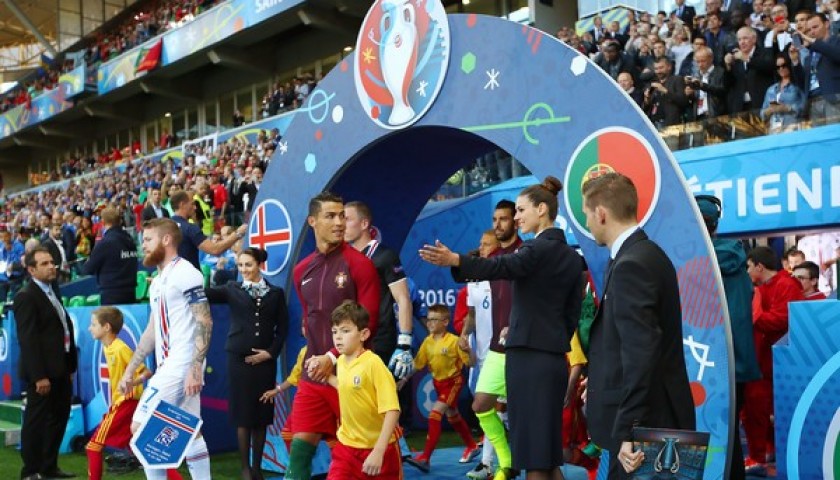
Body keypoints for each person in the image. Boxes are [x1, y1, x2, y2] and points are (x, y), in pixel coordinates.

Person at [420, 176, 583, 480]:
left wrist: (456, 259)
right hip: (551, 361)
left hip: (529, 361)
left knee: (535, 459)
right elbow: (571, 314)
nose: (517, 217)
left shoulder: (535, 250)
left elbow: (500, 267)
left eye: (521, 210)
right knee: (547, 459)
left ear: (542, 209)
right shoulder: (572, 258)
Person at [581, 173, 695, 479]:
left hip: (646, 429)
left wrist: (629, 430)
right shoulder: (646, 255)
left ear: (601, 214)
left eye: (587, 214)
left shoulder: (632, 264)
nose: (587, 223)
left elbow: (641, 354)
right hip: (652, 420)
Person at [285, 191, 380, 480]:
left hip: (353, 375)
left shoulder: (360, 265)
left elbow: (368, 323)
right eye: (330, 216)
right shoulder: (301, 271)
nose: (339, 222)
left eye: (342, 216)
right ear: (312, 221)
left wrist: (332, 356)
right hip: (314, 375)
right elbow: (309, 321)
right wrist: (319, 360)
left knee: (363, 459)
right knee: (299, 454)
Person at [119, 218, 215, 479]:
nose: (143, 246)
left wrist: (195, 367)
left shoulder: (186, 273)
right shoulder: (158, 281)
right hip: (170, 363)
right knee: (191, 430)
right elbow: (151, 331)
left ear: (166, 239)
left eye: (148, 240)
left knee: (140, 427)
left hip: (182, 362)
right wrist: (130, 369)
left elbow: (204, 320)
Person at [206, 247, 289, 480]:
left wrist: (270, 353)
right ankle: (245, 468)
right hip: (238, 359)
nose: (243, 269)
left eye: (248, 265)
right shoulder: (232, 288)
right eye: (240, 265)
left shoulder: (276, 293)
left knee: (261, 414)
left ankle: (257, 468)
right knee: (243, 414)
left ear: (259, 265)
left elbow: (283, 328)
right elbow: (205, 293)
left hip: (265, 362)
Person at [695, 195, 761, 480]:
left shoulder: (693, 262)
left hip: (703, 361)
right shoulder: (738, 262)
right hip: (737, 363)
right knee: (730, 431)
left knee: (705, 433)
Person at [459, 199, 524, 480]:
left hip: (522, 348)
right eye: (494, 219)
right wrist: (465, 334)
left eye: (503, 219)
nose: (498, 224)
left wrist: (518, 325)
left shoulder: (523, 255)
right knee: (481, 405)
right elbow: (473, 311)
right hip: (495, 351)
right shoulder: (491, 264)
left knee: (520, 413)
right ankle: (505, 463)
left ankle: (509, 465)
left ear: (516, 222)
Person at [84, 307, 183, 480]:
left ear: (106, 327)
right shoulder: (108, 347)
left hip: (126, 403)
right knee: (144, 449)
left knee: (93, 446)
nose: (89, 328)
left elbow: (146, 372)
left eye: (93, 324)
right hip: (125, 403)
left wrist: (132, 382)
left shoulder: (120, 348)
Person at [14, 246, 78, 480]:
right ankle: (30, 471)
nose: (52, 266)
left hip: (61, 369)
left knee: (59, 419)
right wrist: (39, 375)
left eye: (52, 262)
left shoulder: (53, 290)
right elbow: (28, 340)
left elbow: (62, 329)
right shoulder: (26, 296)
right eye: (45, 263)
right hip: (42, 374)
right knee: (36, 422)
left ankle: (49, 467)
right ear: (31, 270)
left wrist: (69, 367)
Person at [744, 246, 804, 475]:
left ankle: (759, 457)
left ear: (759, 267)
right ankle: (764, 452)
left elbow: (782, 319)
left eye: (749, 267)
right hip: (762, 359)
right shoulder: (761, 288)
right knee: (757, 409)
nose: (747, 272)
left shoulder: (787, 284)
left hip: (780, 362)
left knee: (762, 409)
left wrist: (754, 317)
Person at [325, 301, 401, 480]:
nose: (338, 337)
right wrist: (325, 376)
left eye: (345, 331)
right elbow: (347, 386)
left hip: (379, 449)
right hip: (346, 447)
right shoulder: (341, 361)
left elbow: (392, 410)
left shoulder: (373, 364)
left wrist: (379, 451)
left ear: (364, 334)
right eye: (334, 332)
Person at [403, 304, 479, 473]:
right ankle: (472, 446)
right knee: (452, 416)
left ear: (445, 322)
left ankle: (425, 458)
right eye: (428, 319)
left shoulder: (454, 341)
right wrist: (404, 379)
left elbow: (472, 363)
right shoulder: (427, 342)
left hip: (453, 383)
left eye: (434, 320)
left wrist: (469, 350)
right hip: (438, 384)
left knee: (435, 415)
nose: (429, 323)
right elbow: (417, 364)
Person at [344, 201, 414, 375]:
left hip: (380, 341)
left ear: (364, 223)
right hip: (352, 340)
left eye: (347, 219)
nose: (341, 224)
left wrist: (404, 344)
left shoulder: (385, 256)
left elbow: (403, 299)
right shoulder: (343, 259)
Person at [169, 190, 246, 270]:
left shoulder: (166, 227)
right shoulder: (189, 228)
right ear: (182, 204)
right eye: (192, 204)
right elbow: (215, 249)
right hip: (189, 275)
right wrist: (238, 233)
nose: (195, 207)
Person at [81, 207, 138, 305]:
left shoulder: (105, 243)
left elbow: (88, 269)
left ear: (102, 222)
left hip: (111, 293)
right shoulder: (130, 240)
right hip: (130, 292)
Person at [791, 13, 840, 124]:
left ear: (826, 24)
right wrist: (795, 61)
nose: (812, 32)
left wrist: (813, 42)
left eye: (815, 27)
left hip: (834, 98)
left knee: (835, 133)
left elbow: (836, 54)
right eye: (809, 29)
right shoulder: (810, 54)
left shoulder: (836, 41)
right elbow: (803, 84)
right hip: (812, 103)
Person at [761, 55, 807, 133]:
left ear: (789, 65)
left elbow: (804, 107)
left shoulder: (797, 85)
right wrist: (769, 111)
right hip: (774, 130)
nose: (781, 69)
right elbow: (762, 113)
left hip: (792, 127)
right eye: (778, 67)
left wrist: (787, 108)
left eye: (784, 65)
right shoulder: (771, 89)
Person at [0, 228, 25, 302]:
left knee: (13, 298)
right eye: (1, 237)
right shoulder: (1, 245)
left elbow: (22, 263)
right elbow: (2, 259)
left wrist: (10, 251)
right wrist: (4, 250)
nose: (4, 239)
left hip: (16, 276)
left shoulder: (18, 246)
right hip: (3, 276)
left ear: (10, 236)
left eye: (5, 236)